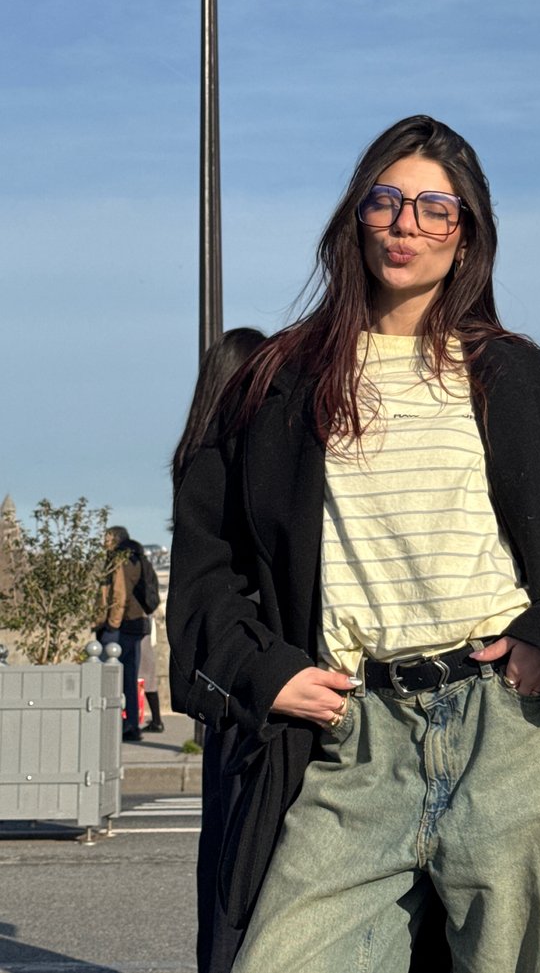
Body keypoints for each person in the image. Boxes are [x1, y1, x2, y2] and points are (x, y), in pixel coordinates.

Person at [167, 116, 540, 973]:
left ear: (466, 233)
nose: (406, 224)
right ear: (356, 217)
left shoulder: (522, 384)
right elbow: (207, 561)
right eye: (386, 201)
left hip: (504, 726)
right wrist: (262, 671)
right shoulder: (276, 383)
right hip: (354, 733)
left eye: (435, 208)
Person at [171, 327, 267, 973]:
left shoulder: (193, 456)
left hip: (222, 684)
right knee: (255, 848)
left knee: (225, 847)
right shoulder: (243, 460)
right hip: (258, 671)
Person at [102, 525, 149, 742]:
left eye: (107, 538)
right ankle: (132, 724)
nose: (104, 542)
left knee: (111, 677)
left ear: (116, 539)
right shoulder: (138, 557)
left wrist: (112, 624)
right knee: (129, 678)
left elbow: (118, 594)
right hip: (139, 623)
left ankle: (116, 724)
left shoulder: (119, 560)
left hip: (123, 624)